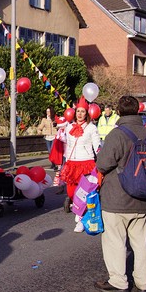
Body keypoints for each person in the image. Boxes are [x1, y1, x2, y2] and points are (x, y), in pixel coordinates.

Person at [94, 96, 146, 292]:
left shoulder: (116, 135)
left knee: (115, 241)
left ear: (119, 111)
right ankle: (143, 282)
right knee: (140, 243)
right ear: (138, 110)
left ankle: (118, 281)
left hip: (116, 199)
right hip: (142, 200)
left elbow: (103, 164)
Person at [60, 97, 100, 232]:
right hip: (72, 164)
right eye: (78, 111)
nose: (80, 114)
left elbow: (97, 146)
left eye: (83, 111)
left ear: (87, 113)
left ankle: (81, 219)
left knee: (83, 193)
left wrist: (101, 159)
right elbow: (67, 145)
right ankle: (78, 210)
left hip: (86, 163)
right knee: (71, 192)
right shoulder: (69, 127)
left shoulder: (91, 128)